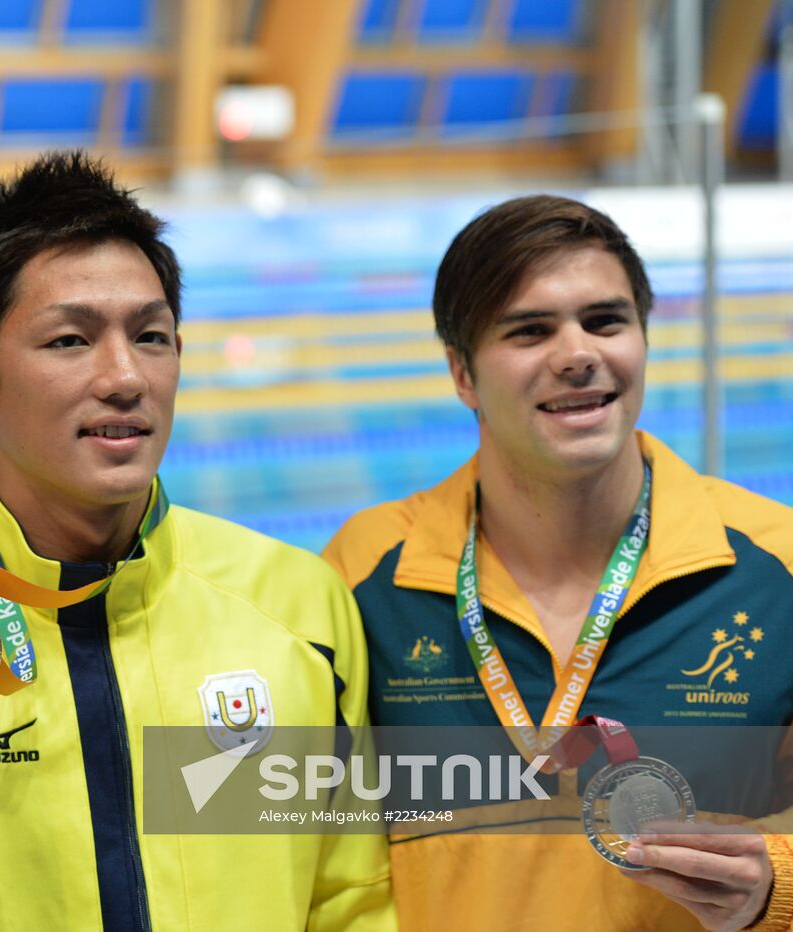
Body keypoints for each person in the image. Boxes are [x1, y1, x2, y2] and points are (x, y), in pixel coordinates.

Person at [0, 151, 396, 930]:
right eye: (70, 341)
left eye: (152, 336)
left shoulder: (294, 606)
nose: (126, 377)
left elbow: (349, 899)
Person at [323, 194, 793, 931]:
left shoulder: (775, 567)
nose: (578, 354)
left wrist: (779, 884)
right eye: (531, 330)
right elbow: (295, 834)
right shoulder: (366, 574)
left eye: (606, 321)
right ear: (463, 374)